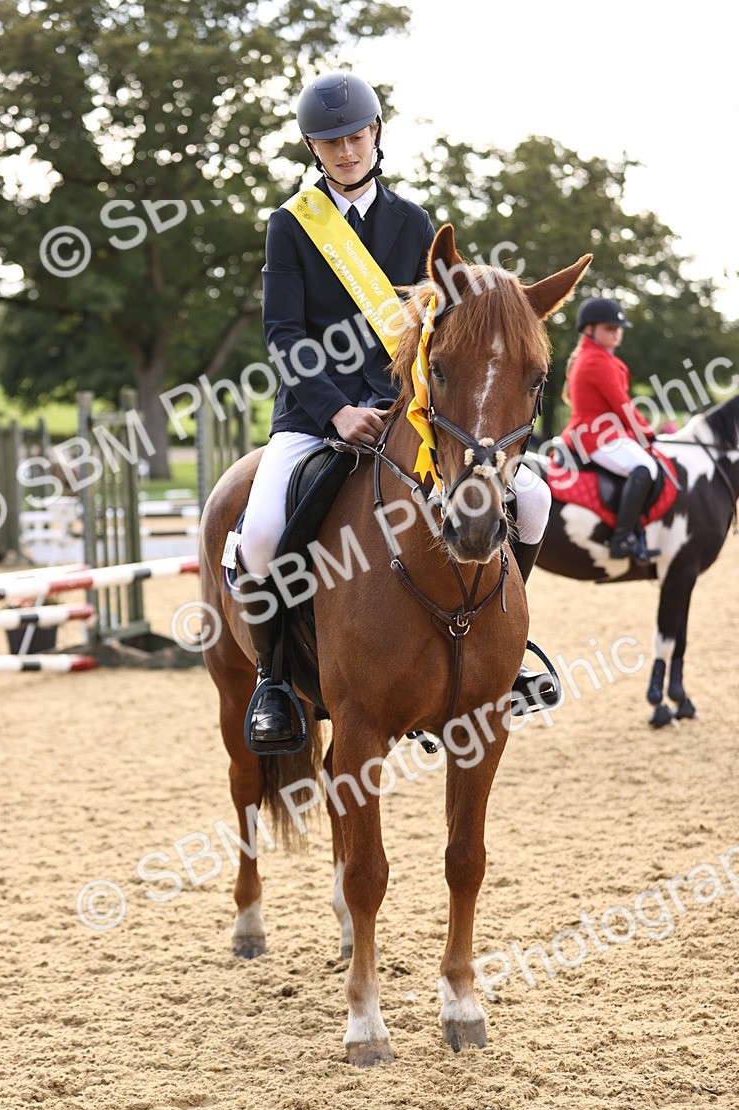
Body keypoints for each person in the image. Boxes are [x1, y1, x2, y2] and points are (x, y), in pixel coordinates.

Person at [240, 69, 555, 746]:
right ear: (312, 146)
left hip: (406, 411)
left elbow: (437, 328)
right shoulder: (291, 226)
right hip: (314, 416)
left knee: (532, 500)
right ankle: (274, 681)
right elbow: (284, 334)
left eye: (355, 136)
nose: (346, 150)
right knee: (261, 534)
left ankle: (508, 653)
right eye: (331, 141)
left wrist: (409, 403)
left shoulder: (413, 222)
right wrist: (334, 411)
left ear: (376, 134)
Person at [561, 296, 659, 564]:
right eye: (610, 328)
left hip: (602, 432)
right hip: (596, 437)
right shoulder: (596, 361)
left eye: (619, 329)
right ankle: (621, 539)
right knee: (644, 468)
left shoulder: (593, 356)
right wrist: (647, 433)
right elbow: (622, 405)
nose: (617, 334)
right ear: (589, 329)